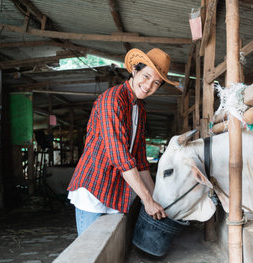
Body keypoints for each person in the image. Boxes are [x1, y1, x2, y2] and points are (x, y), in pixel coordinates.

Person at [67, 48, 177, 235]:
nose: (149, 85)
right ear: (134, 70)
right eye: (146, 76)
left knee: (107, 249)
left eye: (156, 83)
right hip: (94, 188)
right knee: (91, 251)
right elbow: (120, 156)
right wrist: (148, 201)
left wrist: (156, 198)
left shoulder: (139, 109)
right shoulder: (113, 100)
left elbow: (141, 161)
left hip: (116, 191)